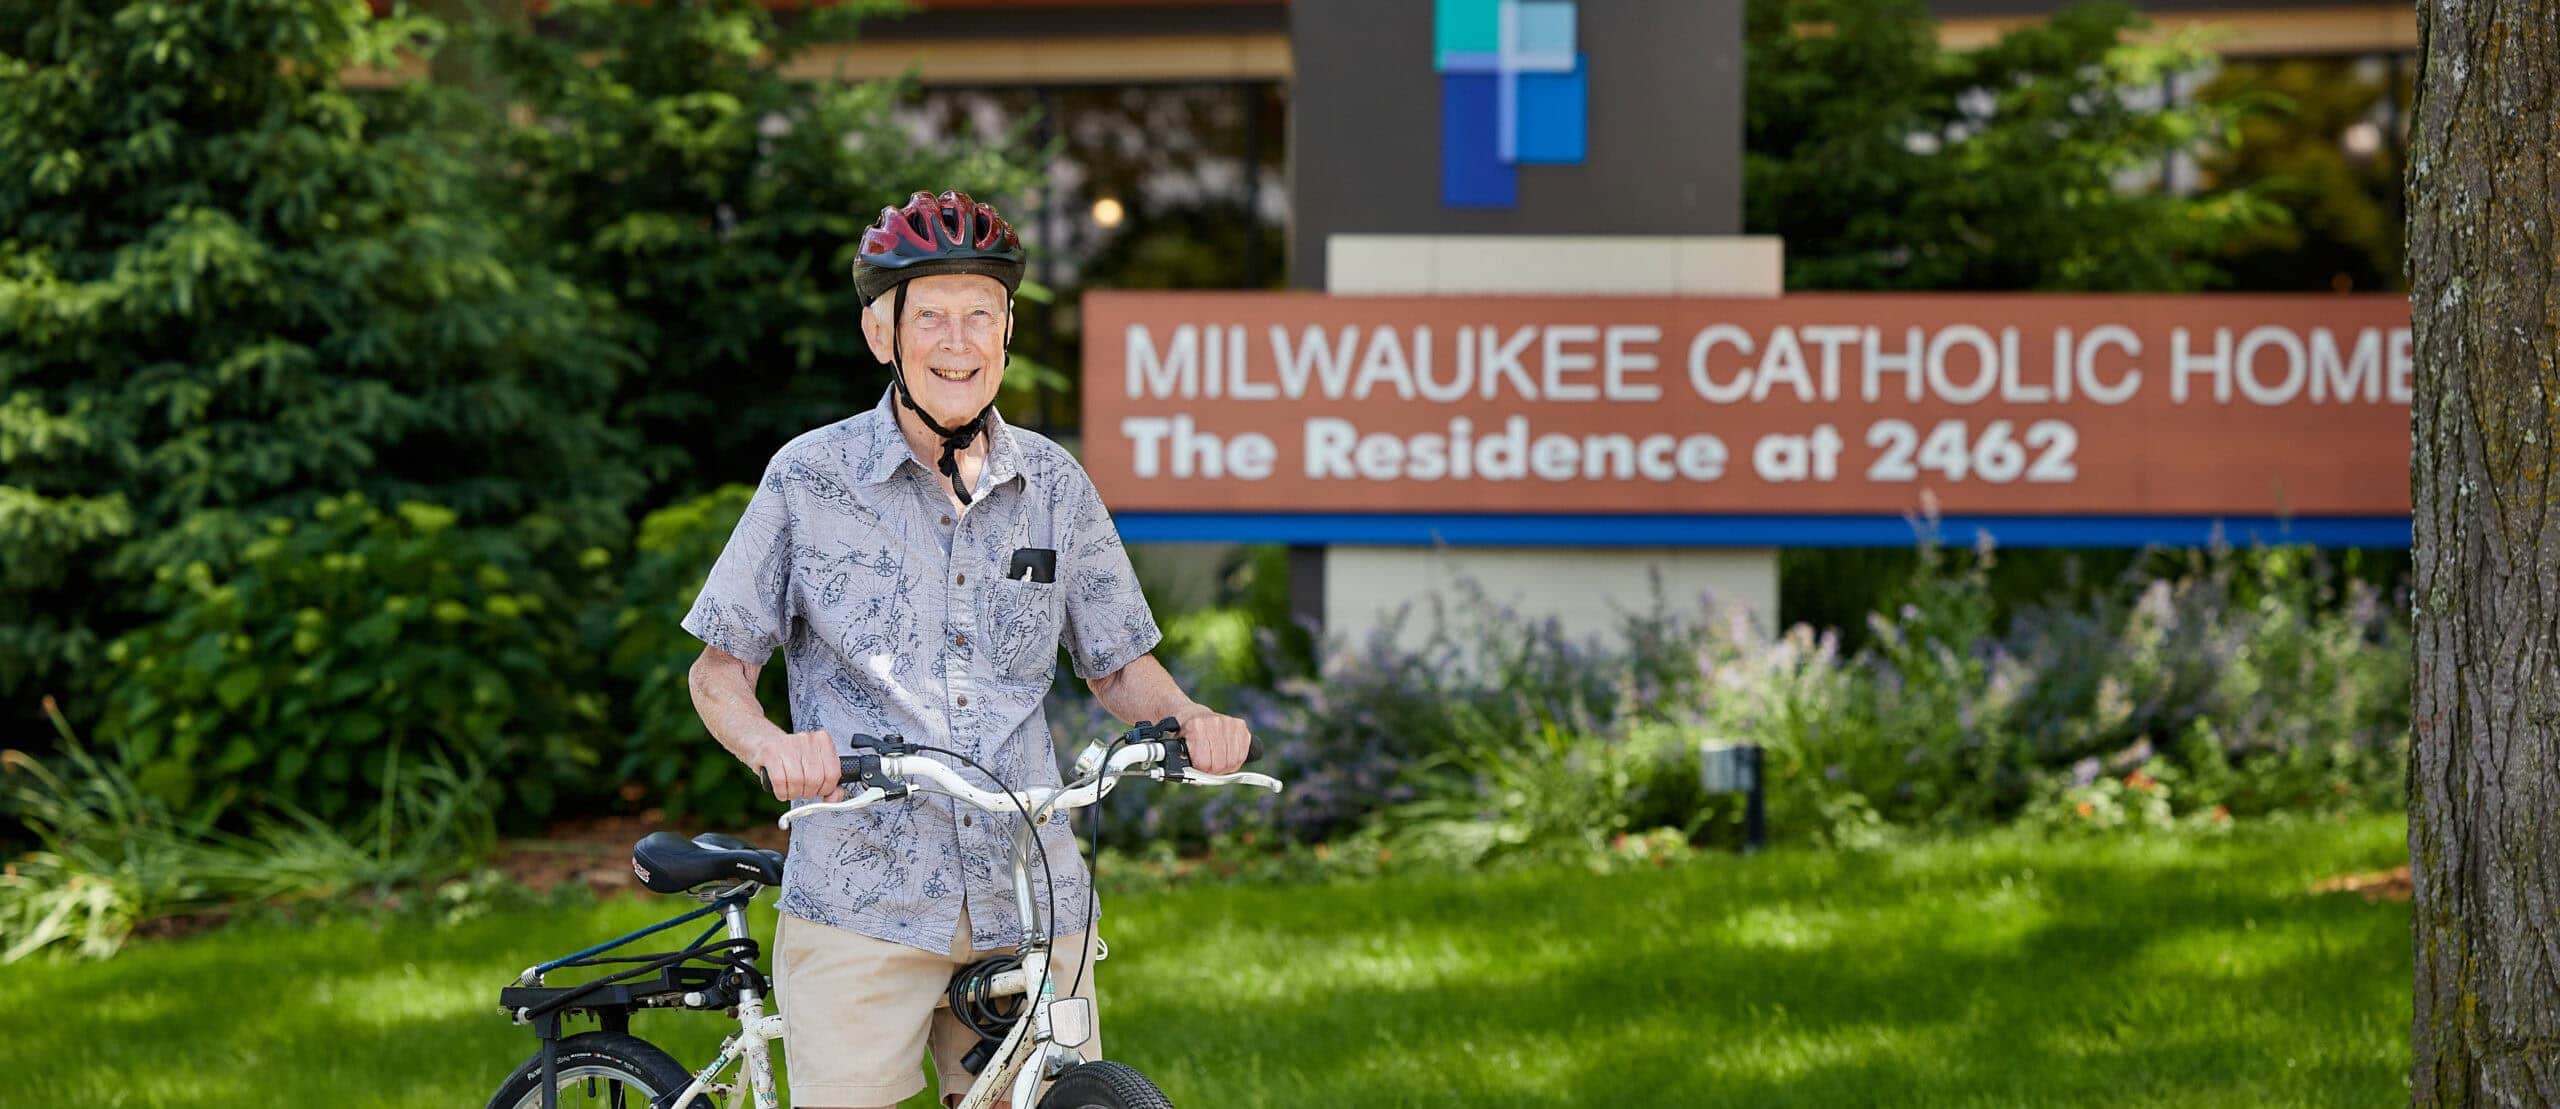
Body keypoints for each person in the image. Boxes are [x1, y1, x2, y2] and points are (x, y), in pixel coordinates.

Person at [682, 190, 1254, 1109]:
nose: (959, 340)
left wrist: (1187, 720)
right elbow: (719, 674)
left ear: (1009, 329)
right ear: (883, 334)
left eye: (980, 315)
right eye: (933, 315)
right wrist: (770, 746)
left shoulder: (1053, 485)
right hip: (867, 900)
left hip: (1028, 894)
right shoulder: (808, 479)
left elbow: (1116, 662)